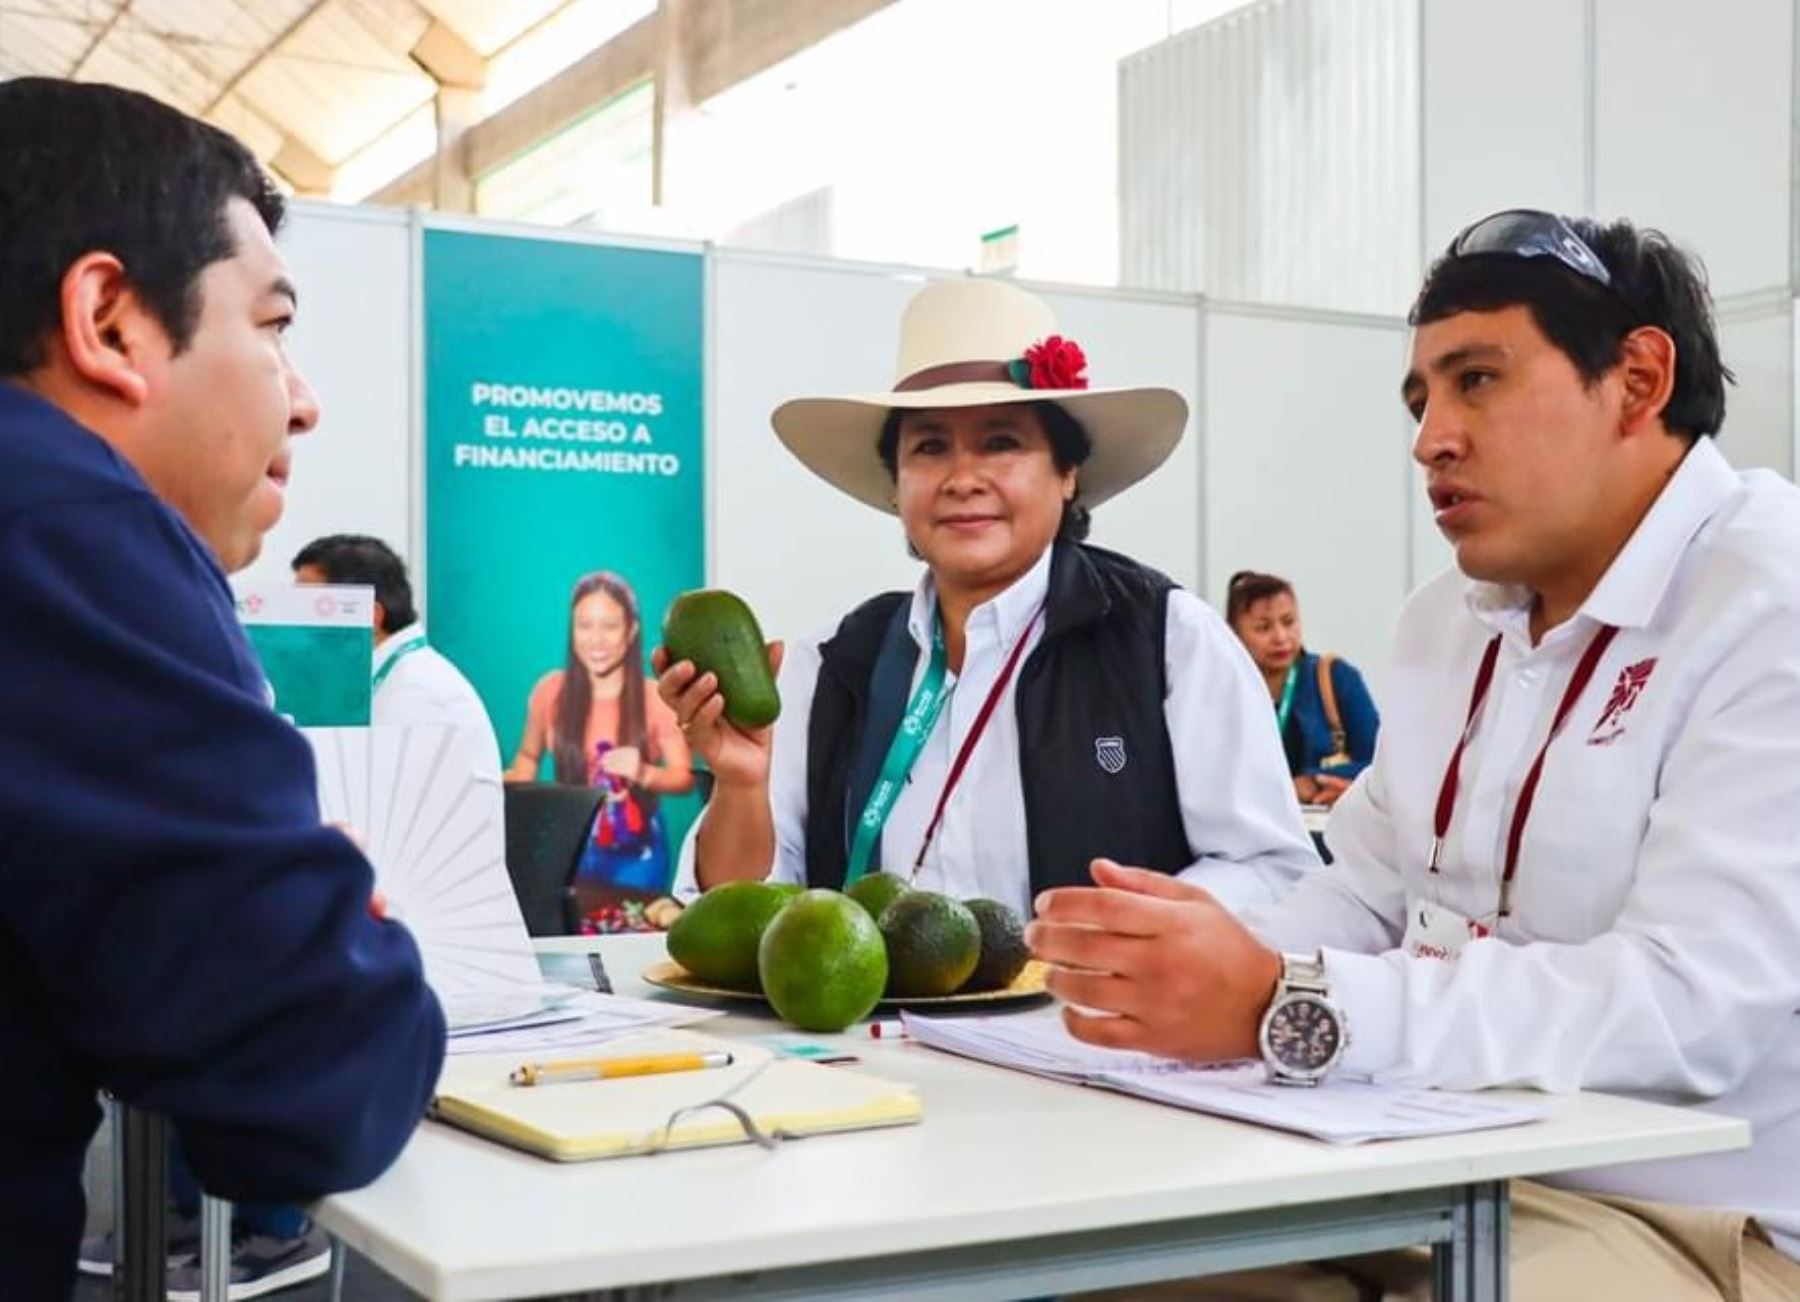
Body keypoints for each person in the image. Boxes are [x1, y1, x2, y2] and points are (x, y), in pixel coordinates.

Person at [1031, 211, 1800, 1301]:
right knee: (1080, 1261)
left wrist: (1288, 1003)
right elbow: (1365, 892)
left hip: (1699, 1222)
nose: (1431, 437)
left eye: (1476, 380)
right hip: (1438, 1165)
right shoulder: (1451, 622)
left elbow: (1689, 1011)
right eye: (1419, 399)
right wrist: (1172, 968)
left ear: (1637, 378)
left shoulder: (1769, 596)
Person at [0, 78, 444, 1300]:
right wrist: (349, 912)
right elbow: (317, 1080)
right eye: (272, 325)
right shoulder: (73, 524)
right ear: (108, 319)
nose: (299, 397)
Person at [658, 278, 1317, 920]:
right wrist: (741, 785)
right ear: (896, 485)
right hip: (864, 1032)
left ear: (1067, 473)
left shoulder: (1166, 639)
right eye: (930, 447)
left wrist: (1127, 932)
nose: (963, 478)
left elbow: (1270, 869)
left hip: (1095, 1028)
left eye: (1001, 442)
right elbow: (737, 909)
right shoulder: (833, 665)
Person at [509, 572, 694, 913]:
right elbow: (526, 759)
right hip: (568, 846)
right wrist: (485, 783)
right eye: (584, 625)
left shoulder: (655, 696)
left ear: (632, 630)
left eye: (609, 625)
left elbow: (684, 776)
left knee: (630, 935)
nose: (596, 639)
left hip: (638, 855)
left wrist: (642, 771)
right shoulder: (550, 691)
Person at [292, 533, 505, 788]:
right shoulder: (396, 676)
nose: (295, 625)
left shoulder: (419, 695)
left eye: (310, 608)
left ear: (369, 616)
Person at [1225, 570, 1379, 807]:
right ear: (1234, 634)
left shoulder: (1334, 677)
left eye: (1289, 622)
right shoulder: (1224, 691)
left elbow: (1380, 762)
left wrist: (1313, 781)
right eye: (1263, 628)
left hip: (1322, 830)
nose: (1281, 637)